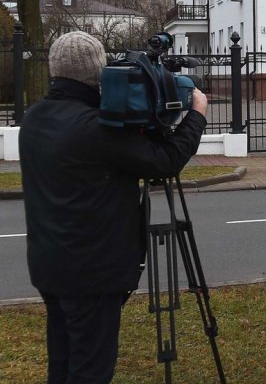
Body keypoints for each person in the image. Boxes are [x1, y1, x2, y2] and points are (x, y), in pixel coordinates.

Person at [19, 31, 208, 384]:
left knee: (63, 362)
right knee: (90, 370)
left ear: (54, 70)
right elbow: (164, 161)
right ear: (97, 72)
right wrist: (197, 114)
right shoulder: (96, 129)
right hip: (91, 273)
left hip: (49, 266)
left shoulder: (35, 118)